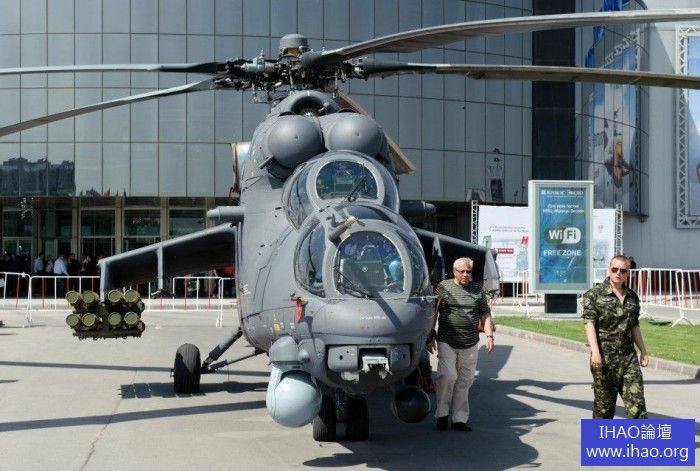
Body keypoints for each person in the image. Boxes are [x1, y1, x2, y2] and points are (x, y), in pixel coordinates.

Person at [427, 257, 494, 432]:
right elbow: (434, 311)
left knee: (465, 380)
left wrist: (489, 336)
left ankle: (459, 419)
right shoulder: (444, 287)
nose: (465, 274)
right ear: (454, 271)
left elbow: (485, 315)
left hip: (470, 342)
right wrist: (430, 333)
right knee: (447, 376)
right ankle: (442, 414)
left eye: (468, 272)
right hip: (447, 340)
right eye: (462, 271)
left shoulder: (477, 290)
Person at [582, 255, 649, 419]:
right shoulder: (594, 295)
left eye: (623, 270)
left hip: (628, 358)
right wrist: (595, 353)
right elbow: (589, 324)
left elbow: (634, 325)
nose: (618, 273)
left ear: (627, 273)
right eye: (615, 269)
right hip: (605, 359)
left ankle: (640, 437)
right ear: (609, 270)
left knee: (637, 406)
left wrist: (643, 351)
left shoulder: (632, 297)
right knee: (604, 409)